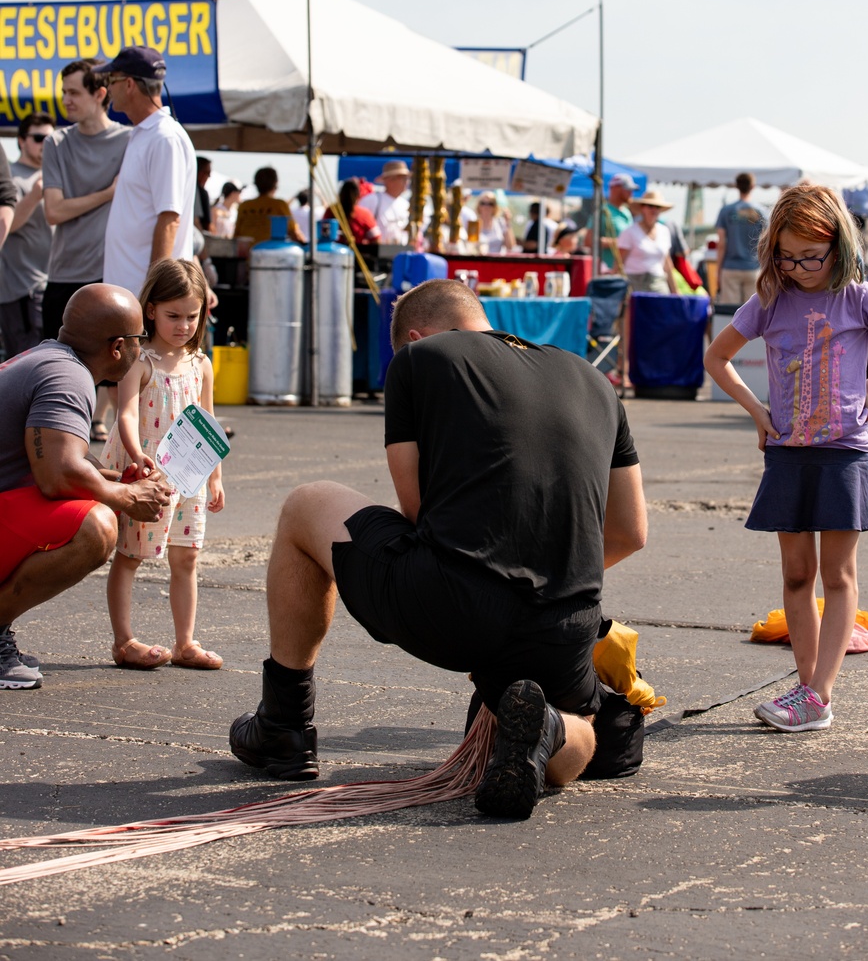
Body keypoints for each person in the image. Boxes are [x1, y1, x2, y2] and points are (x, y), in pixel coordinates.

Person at [229, 278, 647, 819]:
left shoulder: (420, 358)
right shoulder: (594, 379)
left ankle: (283, 724)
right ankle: (545, 727)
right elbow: (630, 533)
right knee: (583, 725)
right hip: (565, 621)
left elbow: (418, 509)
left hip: (452, 600)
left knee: (305, 505)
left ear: (416, 336)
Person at [704, 183, 868, 732]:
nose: (799, 267)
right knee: (796, 575)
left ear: (839, 247)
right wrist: (757, 411)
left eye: (811, 256)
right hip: (786, 452)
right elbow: (717, 358)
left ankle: (819, 695)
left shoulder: (859, 297)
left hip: (843, 452)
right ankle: (805, 691)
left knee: (837, 574)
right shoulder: (770, 300)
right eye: (786, 256)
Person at [0, 283, 172, 689]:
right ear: (116, 347)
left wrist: (113, 481)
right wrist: (127, 497)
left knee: (99, 502)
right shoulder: (69, 375)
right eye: (139, 339)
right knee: (96, 527)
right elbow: (57, 475)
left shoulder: (48, 359)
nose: (142, 349)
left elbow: (48, 460)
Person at [103, 258, 224, 671]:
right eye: (173, 315)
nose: (184, 325)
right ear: (150, 310)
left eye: (192, 316)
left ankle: (186, 642)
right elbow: (126, 414)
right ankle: (124, 640)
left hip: (188, 475)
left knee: (187, 556)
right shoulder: (139, 360)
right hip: (148, 474)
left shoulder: (201, 363)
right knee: (131, 554)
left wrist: (216, 477)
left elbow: (208, 424)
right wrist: (136, 453)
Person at [42, 59, 132, 344]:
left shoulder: (131, 140)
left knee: (110, 381)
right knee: (58, 370)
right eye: (64, 92)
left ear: (100, 94)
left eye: (74, 93)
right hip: (63, 275)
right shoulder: (55, 142)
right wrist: (108, 193)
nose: (65, 100)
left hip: (113, 277)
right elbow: (53, 211)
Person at [97, 48, 197, 298]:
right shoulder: (146, 134)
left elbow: (169, 219)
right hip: (133, 295)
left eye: (111, 80)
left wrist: (152, 294)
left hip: (144, 298)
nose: (108, 88)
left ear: (129, 84)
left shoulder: (164, 138)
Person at [0, 114, 55, 358]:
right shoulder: (9, 175)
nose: (45, 143)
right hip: (20, 288)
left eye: (51, 138)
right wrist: (34, 196)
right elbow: (8, 225)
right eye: (38, 137)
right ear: (21, 140)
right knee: (23, 363)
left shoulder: (57, 175)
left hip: (54, 284)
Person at [715, 172, 767, 306]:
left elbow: (721, 244)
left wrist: (718, 271)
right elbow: (766, 243)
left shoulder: (726, 211)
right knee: (753, 314)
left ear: (736, 186)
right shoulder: (761, 211)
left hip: (730, 267)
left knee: (729, 315)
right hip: (754, 268)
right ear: (753, 186)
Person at [616, 193, 679, 293]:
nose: (654, 210)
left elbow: (667, 263)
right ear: (642, 208)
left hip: (658, 283)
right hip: (634, 284)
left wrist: (675, 290)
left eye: (657, 207)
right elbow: (619, 263)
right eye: (650, 206)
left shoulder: (664, 231)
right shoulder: (629, 232)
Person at [234, 167, 305, 246]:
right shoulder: (279, 205)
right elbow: (294, 233)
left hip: (248, 254)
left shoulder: (244, 206)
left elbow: (237, 235)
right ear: (275, 184)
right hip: (272, 254)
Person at [586, 172, 635, 270]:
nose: (631, 193)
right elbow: (589, 241)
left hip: (626, 271)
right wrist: (621, 243)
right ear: (616, 189)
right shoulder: (602, 212)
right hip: (606, 270)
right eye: (628, 189)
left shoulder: (627, 212)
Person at [359, 161, 411, 245]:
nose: (406, 182)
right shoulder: (372, 200)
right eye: (402, 178)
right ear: (389, 180)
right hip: (376, 254)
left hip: (401, 254)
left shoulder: (406, 205)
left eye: (406, 178)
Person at [331, 178, 379, 246]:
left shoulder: (331, 210)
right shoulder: (364, 214)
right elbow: (376, 238)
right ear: (358, 196)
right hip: (357, 253)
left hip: (334, 253)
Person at [194, 158, 213, 232]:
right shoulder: (200, 192)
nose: (209, 177)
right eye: (208, 173)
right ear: (200, 173)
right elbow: (206, 224)